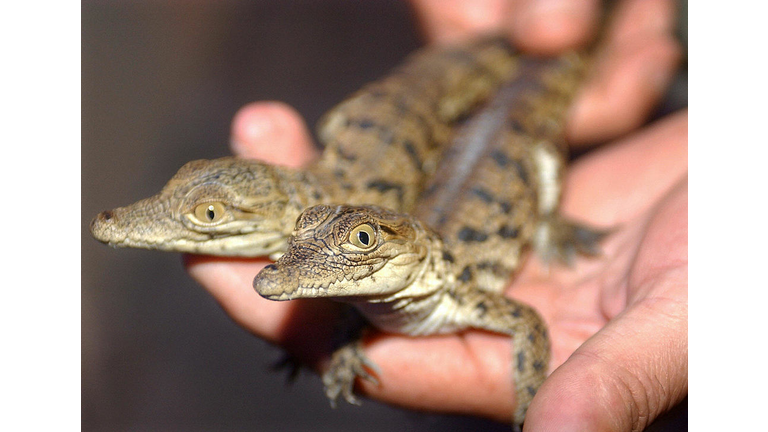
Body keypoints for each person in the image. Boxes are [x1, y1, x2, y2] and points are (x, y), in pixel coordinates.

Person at [185, 0, 687, 430]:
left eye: (362, 241)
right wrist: (343, 341)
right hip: (466, 161)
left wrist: (532, 393)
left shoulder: (463, 297)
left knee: (534, 140)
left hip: (516, 143)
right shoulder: (363, 291)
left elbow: (528, 323)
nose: (297, 265)